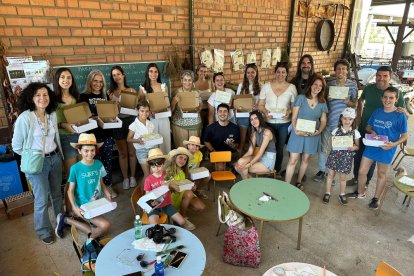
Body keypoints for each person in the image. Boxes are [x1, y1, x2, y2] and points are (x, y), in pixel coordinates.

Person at [12, 82, 64, 245]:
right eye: (38, 95)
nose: (42, 98)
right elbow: (16, 146)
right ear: (31, 98)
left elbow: (55, 138)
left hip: (54, 158)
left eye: (45, 95)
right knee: (41, 199)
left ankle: (61, 223)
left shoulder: (52, 114)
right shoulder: (25, 117)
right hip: (36, 163)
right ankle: (43, 231)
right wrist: (32, 157)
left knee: (57, 195)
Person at [348, 87, 408, 209]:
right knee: (362, 171)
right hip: (372, 145)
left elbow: (405, 135)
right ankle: (360, 193)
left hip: (387, 148)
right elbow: (368, 127)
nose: (387, 100)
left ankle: (376, 199)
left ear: (396, 99)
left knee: (381, 173)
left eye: (391, 97)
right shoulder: (377, 111)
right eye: (385, 97)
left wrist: (394, 144)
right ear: (381, 98)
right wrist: (373, 131)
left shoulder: (400, 115)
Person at [348, 66, 406, 187]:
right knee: (359, 155)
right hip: (365, 128)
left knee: (372, 159)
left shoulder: (395, 93)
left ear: (390, 77)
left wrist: (403, 111)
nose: (381, 78)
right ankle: (356, 178)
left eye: (385, 76)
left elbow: (402, 111)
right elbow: (360, 100)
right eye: (379, 75)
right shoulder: (369, 88)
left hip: (380, 133)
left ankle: (366, 182)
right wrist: (358, 116)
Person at [313, 59, 358, 183]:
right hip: (328, 121)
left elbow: (355, 104)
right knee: (323, 147)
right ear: (335, 70)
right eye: (338, 68)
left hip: (342, 125)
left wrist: (349, 102)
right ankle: (322, 170)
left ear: (347, 71)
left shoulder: (352, 85)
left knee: (336, 150)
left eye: (344, 69)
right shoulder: (329, 84)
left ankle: (330, 174)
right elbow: (321, 100)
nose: (341, 71)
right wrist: (326, 98)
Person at [285, 75, 328, 190]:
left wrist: (319, 131)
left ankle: (298, 181)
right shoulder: (300, 98)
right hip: (297, 133)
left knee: (305, 159)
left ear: (322, 88)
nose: (317, 87)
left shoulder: (322, 102)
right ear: (311, 85)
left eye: (320, 86)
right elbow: (294, 117)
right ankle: (286, 184)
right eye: (315, 84)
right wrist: (296, 131)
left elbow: (323, 120)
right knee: (293, 159)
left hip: (312, 135)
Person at [67, 133, 112, 240]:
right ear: (79, 151)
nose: (90, 153)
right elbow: (70, 191)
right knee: (105, 225)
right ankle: (69, 221)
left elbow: (101, 182)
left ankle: (71, 221)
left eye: (92, 150)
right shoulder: (75, 168)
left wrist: (107, 192)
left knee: (99, 227)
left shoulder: (99, 164)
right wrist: (75, 207)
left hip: (97, 201)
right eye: (86, 151)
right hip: (84, 205)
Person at [80, 70, 117, 198]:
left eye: (101, 81)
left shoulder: (105, 96)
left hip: (106, 133)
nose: (98, 84)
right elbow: (81, 118)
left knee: (107, 162)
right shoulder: (83, 97)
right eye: (95, 81)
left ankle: (108, 186)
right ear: (90, 81)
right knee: (93, 162)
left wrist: (112, 115)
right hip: (91, 136)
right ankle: (96, 189)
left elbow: (111, 114)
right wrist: (91, 118)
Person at [258, 62, 297, 175]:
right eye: (278, 72)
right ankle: (265, 168)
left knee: (279, 147)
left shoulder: (292, 88)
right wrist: (265, 112)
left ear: (286, 74)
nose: (280, 74)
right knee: (267, 146)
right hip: (268, 122)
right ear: (275, 73)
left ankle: (276, 169)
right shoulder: (266, 86)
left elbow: (294, 107)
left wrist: (289, 112)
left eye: (283, 72)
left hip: (284, 123)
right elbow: (260, 104)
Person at [108, 65, 143, 190]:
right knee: (122, 153)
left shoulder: (132, 91)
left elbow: (138, 108)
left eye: (118, 74)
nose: (117, 77)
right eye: (114, 75)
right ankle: (125, 178)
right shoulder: (110, 93)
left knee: (132, 152)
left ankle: (133, 176)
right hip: (118, 123)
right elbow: (109, 112)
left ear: (123, 75)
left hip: (131, 122)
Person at [144, 148, 195, 230]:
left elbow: (177, 188)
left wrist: (170, 183)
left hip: (166, 205)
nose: (157, 169)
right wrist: (147, 205)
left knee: (182, 222)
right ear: (150, 166)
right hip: (154, 207)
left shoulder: (167, 175)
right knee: (155, 226)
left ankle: (174, 221)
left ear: (164, 164)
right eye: (153, 167)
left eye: (159, 166)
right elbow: (147, 195)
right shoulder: (148, 180)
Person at [323, 108, 360, 205]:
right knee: (330, 175)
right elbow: (331, 144)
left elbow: (357, 146)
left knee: (343, 178)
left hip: (346, 159)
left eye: (350, 119)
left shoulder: (355, 133)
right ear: (341, 119)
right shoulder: (335, 131)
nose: (347, 121)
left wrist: (353, 148)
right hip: (334, 157)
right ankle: (327, 192)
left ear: (353, 120)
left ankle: (342, 194)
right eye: (345, 118)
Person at [166, 147, 205, 221]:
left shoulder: (184, 170)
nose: (182, 161)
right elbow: (166, 187)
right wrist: (172, 186)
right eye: (180, 157)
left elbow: (187, 182)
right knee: (189, 194)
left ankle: (183, 206)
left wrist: (192, 186)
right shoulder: (169, 171)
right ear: (175, 158)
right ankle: (182, 216)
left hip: (184, 193)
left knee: (201, 207)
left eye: (185, 159)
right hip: (174, 195)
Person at [54, 68, 80, 179]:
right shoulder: (52, 99)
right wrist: (63, 125)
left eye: (69, 77)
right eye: (62, 77)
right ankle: (71, 196)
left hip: (79, 135)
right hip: (64, 137)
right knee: (72, 174)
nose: (66, 80)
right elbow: (48, 122)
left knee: (82, 169)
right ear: (57, 80)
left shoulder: (76, 97)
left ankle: (83, 195)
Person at [234, 111, 276, 179]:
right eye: (251, 119)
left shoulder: (267, 132)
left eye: (256, 118)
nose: (254, 121)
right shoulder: (255, 133)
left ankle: (247, 185)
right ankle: (252, 183)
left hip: (268, 160)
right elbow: (250, 151)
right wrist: (238, 161)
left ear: (260, 119)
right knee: (240, 163)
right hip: (259, 157)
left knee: (243, 168)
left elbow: (260, 153)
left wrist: (248, 165)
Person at [140, 63, 171, 153]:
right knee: (153, 143)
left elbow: (167, 104)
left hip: (164, 118)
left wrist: (163, 109)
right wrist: (148, 112)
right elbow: (141, 106)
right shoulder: (143, 88)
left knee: (165, 141)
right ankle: (155, 164)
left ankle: (166, 165)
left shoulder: (163, 86)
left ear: (158, 73)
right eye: (151, 71)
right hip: (151, 120)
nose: (153, 74)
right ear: (147, 73)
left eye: (156, 72)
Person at [127, 101, 156, 188]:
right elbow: (128, 139)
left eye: (147, 111)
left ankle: (147, 191)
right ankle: (141, 194)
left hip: (151, 150)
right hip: (141, 151)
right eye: (142, 111)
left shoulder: (150, 124)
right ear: (137, 111)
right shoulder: (134, 125)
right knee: (147, 174)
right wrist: (137, 140)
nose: (144, 113)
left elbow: (153, 136)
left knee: (152, 173)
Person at [203, 103, 240, 170]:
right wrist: (213, 150)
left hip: (228, 154)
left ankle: (228, 166)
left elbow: (236, 146)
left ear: (228, 113)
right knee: (220, 169)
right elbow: (206, 141)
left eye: (225, 111)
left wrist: (232, 144)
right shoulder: (210, 128)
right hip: (215, 152)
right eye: (220, 111)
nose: (222, 113)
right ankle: (229, 167)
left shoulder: (235, 128)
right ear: (217, 113)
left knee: (222, 168)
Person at [170, 70, 202, 148]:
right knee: (182, 149)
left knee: (193, 149)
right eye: (185, 80)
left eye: (189, 80)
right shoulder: (176, 92)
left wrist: (198, 108)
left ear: (192, 81)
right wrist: (174, 101)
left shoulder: (196, 92)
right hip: (179, 124)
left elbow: (200, 105)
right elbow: (170, 110)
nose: (187, 82)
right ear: (181, 81)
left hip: (194, 124)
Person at [236, 64, 261, 152]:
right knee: (242, 139)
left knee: (252, 137)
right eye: (248, 72)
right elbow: (237, 100)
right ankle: (240, 154)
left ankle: (251, 154)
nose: (250, 75)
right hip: (243, 114)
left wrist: (257, 105)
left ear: (256, 73)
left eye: (253, 72)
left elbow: (262, 101)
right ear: (245, 74)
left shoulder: (261, 86)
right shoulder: (241, 85)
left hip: (254, 114)